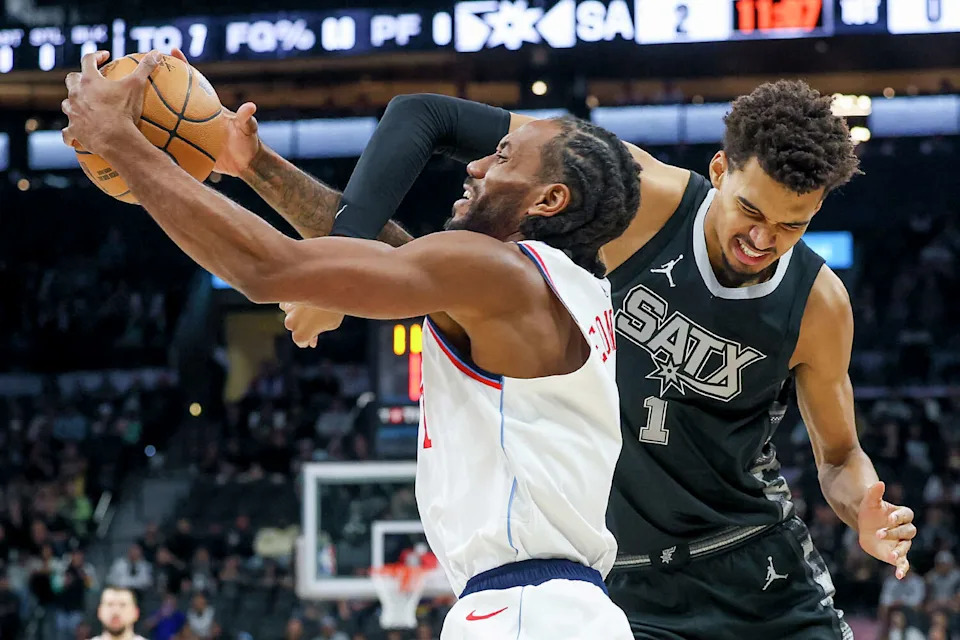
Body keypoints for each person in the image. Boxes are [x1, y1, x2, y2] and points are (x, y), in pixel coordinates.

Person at [151, 70, 919, 638]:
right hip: (617, 588)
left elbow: (839, 456)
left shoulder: (817, 304)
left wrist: (865, 508)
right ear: (719, 172)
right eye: (751, 210)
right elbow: (423, 119)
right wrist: (334, 245)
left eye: (791, 226)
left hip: (755, 573)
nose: (762, 239)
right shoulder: (627, 192)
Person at [61, 50, 641, 638]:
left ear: (548, 201)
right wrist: (255, 165)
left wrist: (121, 142)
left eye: (504, 157)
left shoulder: (503, 274)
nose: (475, 165)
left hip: (527, 611)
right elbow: (382, 253)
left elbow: (267, 269)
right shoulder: (560, 289)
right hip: (554, 608)